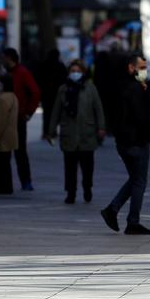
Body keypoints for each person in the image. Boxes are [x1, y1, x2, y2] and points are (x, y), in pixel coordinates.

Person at [102, 54, 150, 235]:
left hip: (123, 141)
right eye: (141, 67)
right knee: (139, 181)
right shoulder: (135, 89)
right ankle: (132, 221)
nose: (144, 71)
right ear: (131, 68)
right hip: (136, 141)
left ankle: (113, 209)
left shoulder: (116, 86)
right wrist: (148, 135)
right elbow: (141, 116)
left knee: (134, 179)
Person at [45, 59, 106, 203]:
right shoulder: (63, 89)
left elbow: (98, 108)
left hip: (87, 134)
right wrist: (51, 130)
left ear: (83, 72)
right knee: (70, 168)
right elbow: (56, 112)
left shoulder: (90, 88)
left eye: (78, 71)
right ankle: (70, 192)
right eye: (72, 71)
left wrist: (101, 127)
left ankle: (87, 188)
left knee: (87, 167)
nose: (75, 74)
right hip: (69, 134)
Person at [3, 48, 41, 191]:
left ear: (9, 58)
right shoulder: (7, 73)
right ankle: (7, 182)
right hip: (7, 117)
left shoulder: (22, 73)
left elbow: (35, 92)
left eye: (4, 58)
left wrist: (29, 112)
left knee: (20, 152)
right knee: (8, 151)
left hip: (18, 117)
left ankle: (26, 180)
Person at [36, 48, 67, 143]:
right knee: (56, 113)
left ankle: (45, 132)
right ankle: (53, 131)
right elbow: (64, 80)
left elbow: (39, 79)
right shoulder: (60, 66)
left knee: (46, 114)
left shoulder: (43, 65)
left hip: (46, 93)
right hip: (57, 93)